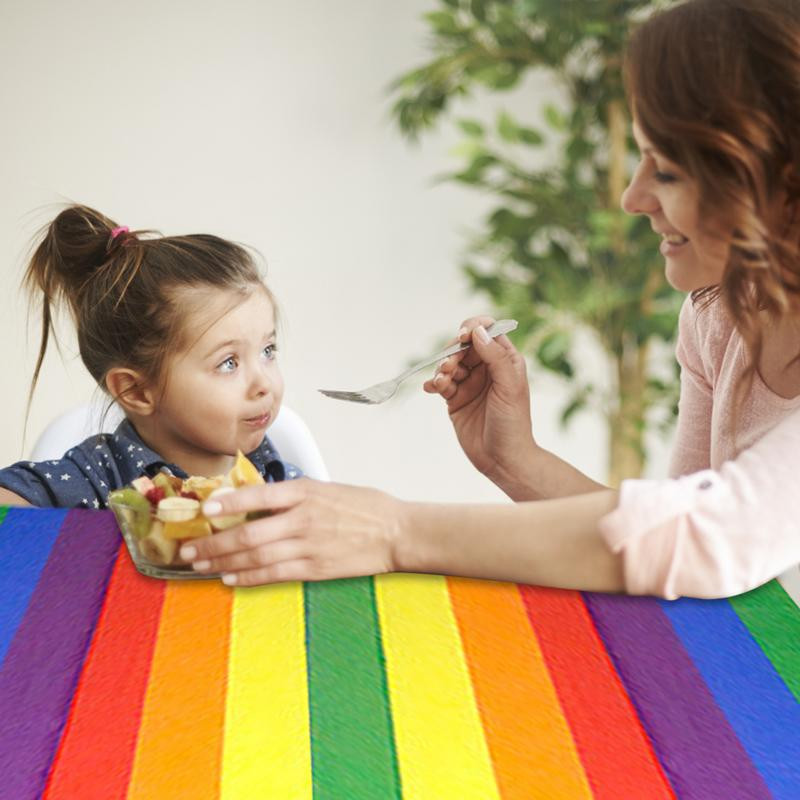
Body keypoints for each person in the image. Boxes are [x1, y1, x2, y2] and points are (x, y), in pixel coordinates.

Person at [177, 0, 800, 596]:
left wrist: (393, 530)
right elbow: (673, 537)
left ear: (777, 174)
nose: (632, 198)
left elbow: (710, 538)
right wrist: (515, 460)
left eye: (665, 169)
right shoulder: (720, 315)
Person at [0, 205, 300, 509]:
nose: (264, 383)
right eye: (228, 363)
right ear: (137, 391)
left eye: (267, 351)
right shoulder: (97, 480)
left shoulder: (282, 480)